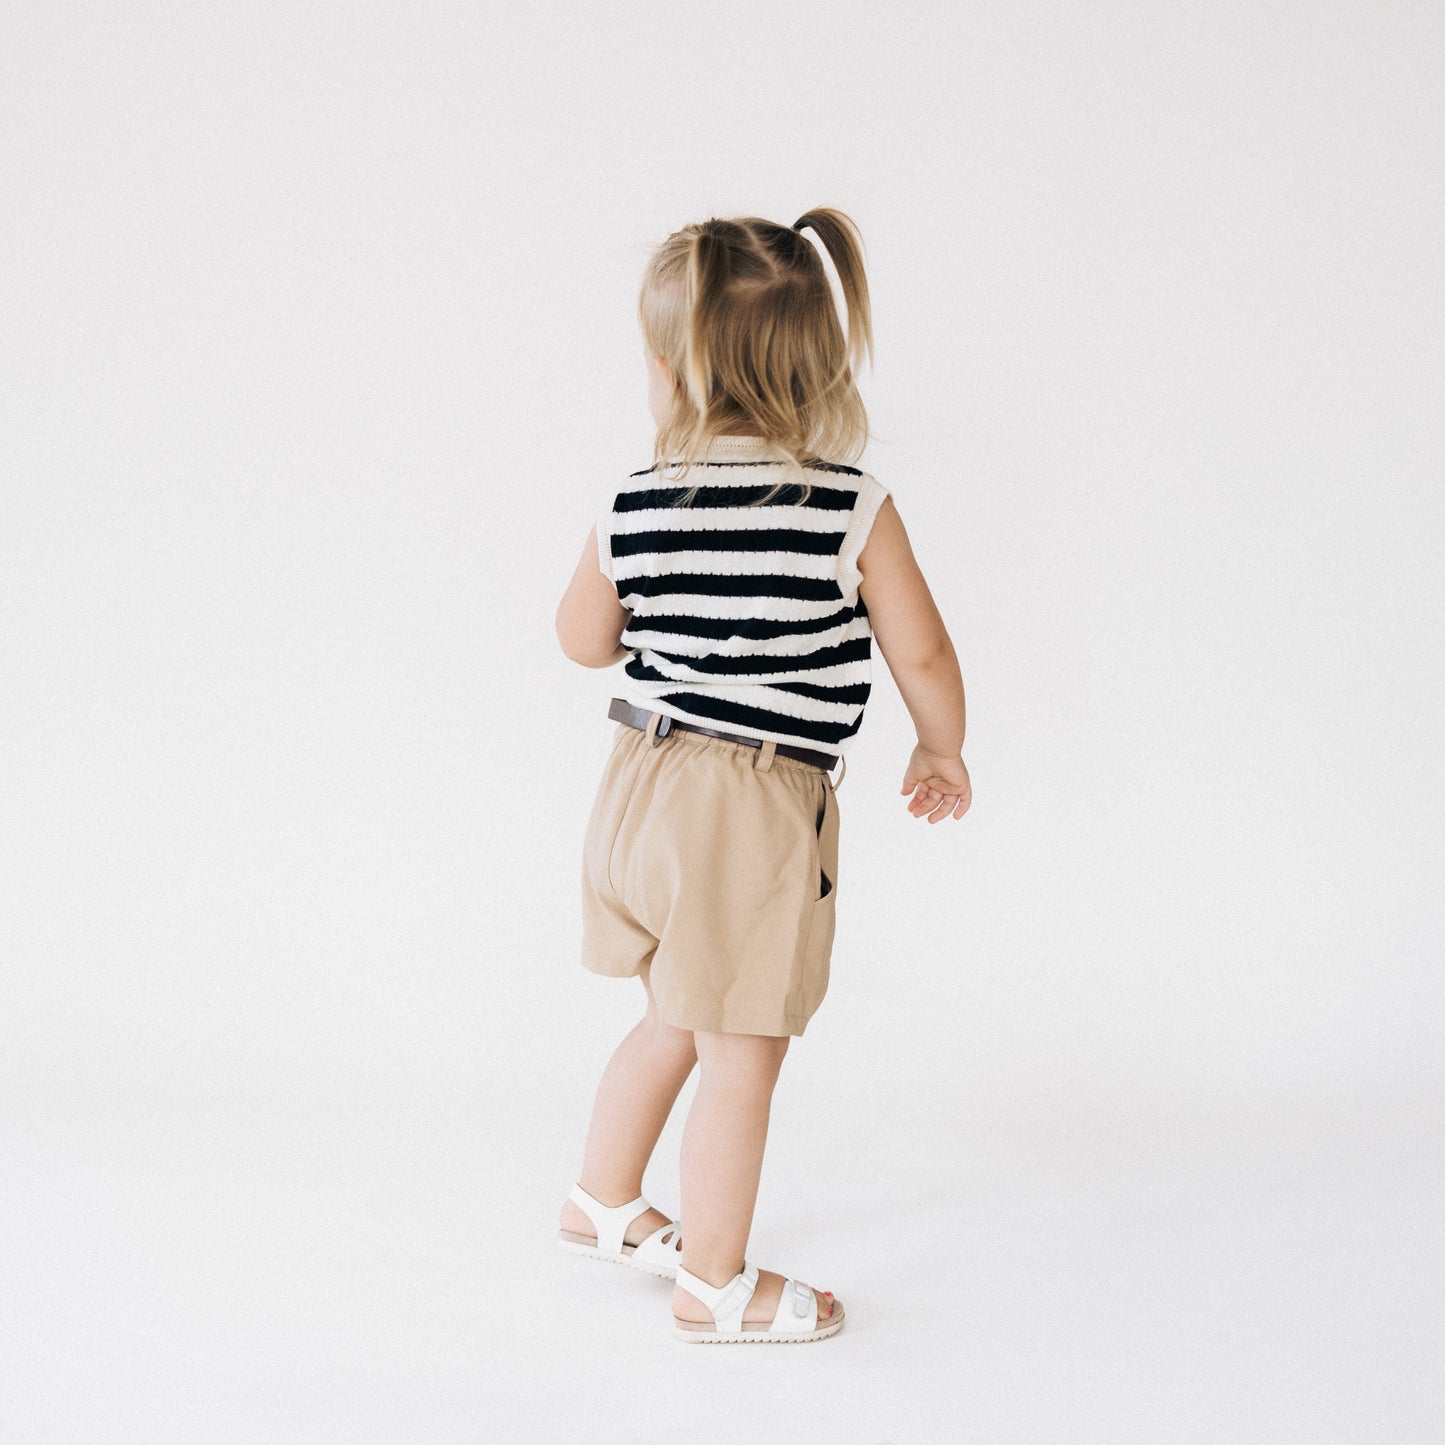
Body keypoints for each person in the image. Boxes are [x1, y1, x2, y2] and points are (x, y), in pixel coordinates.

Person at [553, 208, 971, 1343]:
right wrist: (940, 744)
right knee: (744, 1045)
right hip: (747, 803)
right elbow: (919, 648)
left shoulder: (633, 497)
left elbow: (581, 638)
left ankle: (600, 1199)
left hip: (636, 780)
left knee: (676, 1015)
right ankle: (714, 1282)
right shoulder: (846, 502)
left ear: (670, 370)